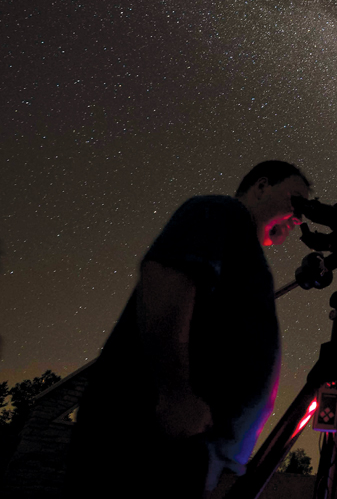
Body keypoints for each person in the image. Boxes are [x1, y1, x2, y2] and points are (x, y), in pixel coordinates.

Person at [65, 161, 311, 498]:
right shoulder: (219, 211)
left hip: (193, 448)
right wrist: (175, 393)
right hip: (150, 441)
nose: (299, 217)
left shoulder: (245, 254)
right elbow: (168, 278)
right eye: (295, 200)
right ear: (261, 187)